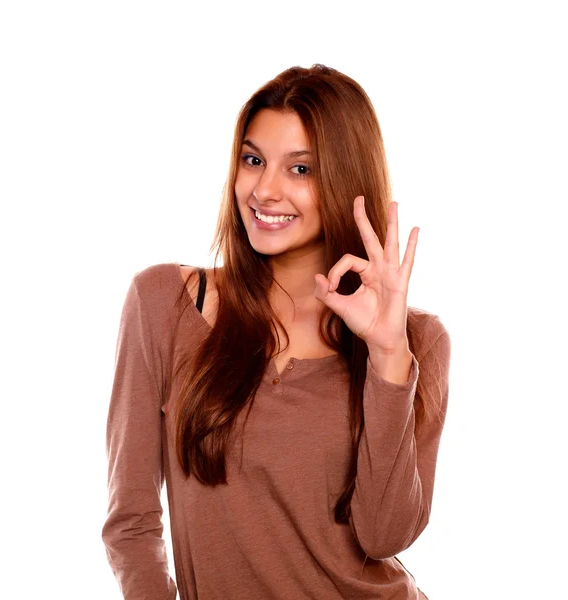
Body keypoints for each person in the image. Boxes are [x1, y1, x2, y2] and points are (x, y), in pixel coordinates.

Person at [102, 64, 451, 600]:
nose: (264, 190)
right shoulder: (164, 305)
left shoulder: (416, 341)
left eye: (301, 169)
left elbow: (384, 536)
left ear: (345, 179)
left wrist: (386, 357)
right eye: (254, 160)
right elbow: (131, 522)